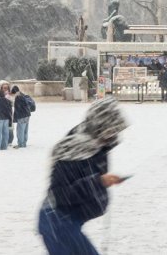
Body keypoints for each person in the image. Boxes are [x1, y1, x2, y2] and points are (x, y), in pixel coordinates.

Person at [37, 97, 130, 254]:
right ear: (100, 126)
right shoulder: (74, 150)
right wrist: (99, 182)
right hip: (57, 222)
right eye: (111, 130)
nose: (114, 135)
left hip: (66, 222)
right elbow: (61, 194)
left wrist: (101, 183)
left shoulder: (96, 146)